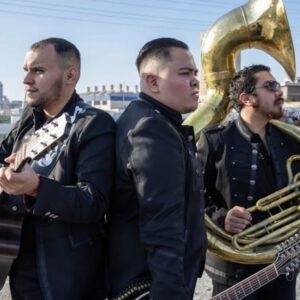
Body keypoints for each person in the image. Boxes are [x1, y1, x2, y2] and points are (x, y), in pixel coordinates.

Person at [0, 38, 115, 300]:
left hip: (65, 276)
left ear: (70, 75)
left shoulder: (93, 124)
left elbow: (93, 202)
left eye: (38, 70)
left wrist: (36, 187)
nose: (26, 79)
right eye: (26, 70)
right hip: (18, 264)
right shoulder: (29, 119)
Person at [107, 37, 207, 300]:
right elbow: (161, 224)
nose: (196, 81)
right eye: (185, 73)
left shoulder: (150, 119)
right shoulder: (151, 128)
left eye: (195, 73)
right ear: (153, 82)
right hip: (152, 286)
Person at [197, 64, 299, 300]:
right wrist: (222, 217)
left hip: (282, 263)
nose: (279, 92)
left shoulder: (290, 139)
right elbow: (195, 196)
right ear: (247, 98)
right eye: (270, 86)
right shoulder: (215, 139)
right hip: (234, 269)